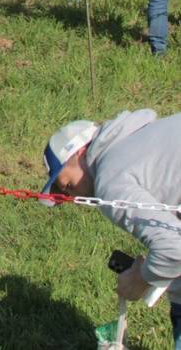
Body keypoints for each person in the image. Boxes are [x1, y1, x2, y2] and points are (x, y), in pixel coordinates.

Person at [39, 109, 181, 347]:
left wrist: (141, 278)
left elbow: (174, 248)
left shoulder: (110, 179)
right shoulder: (145, 137)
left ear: (79, 152)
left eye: (65, 185)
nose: (68, 195)